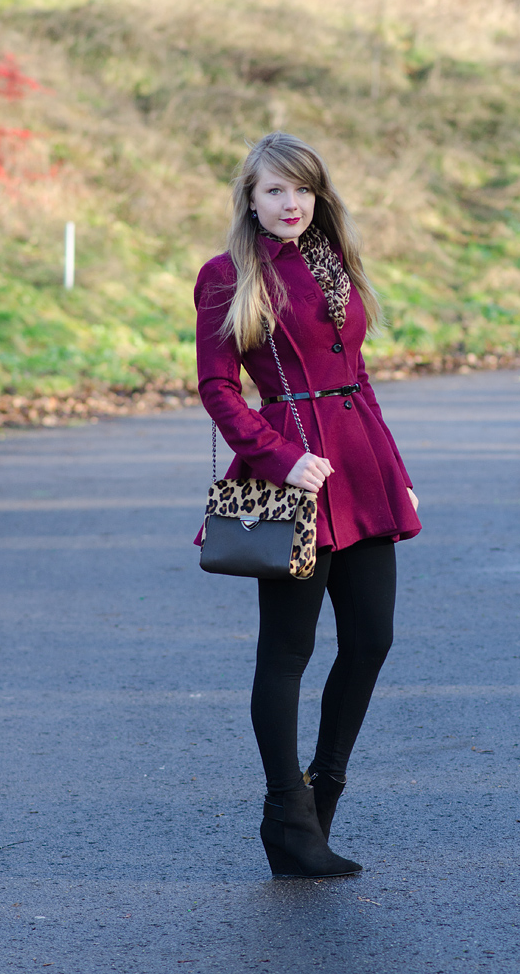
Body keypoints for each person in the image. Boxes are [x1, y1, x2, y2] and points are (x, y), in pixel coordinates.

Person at [194, 132, 421, 879]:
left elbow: (357, 375)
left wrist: (396, 467)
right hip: (292, 477)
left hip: (361, 469)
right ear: (251, 201)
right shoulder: (228, 276)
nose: (291, 203)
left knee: (372, 640)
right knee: (287, 652)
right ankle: (286, 816)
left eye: (302, 189)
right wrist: (282, 460)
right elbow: (219, 390)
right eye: (274, 191)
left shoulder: (335, 267)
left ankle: (320, 800)